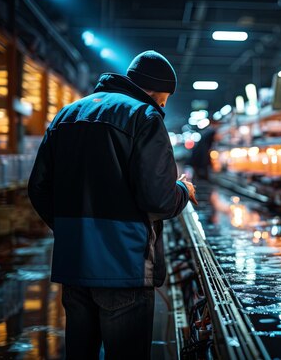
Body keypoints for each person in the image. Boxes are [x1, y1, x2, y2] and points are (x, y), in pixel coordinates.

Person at [27, 50, 197, 360]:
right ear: (159, 91)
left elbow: (38, 188)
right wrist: (183, 190)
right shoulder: (144, 116)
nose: (165, 104)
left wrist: (73, 230)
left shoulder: (66, 115)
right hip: (124, 267)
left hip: (74, 264)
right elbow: (157, 199)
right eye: (166, 97)